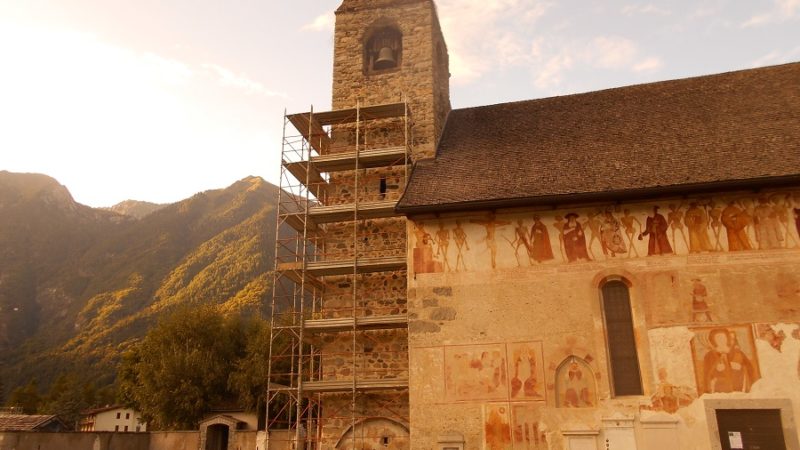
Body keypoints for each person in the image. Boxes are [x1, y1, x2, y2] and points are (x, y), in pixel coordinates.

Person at [702, 328, 758, 393]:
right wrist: (716, 369)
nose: (721, 340)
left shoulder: (738, 353)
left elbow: (750, 370)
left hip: (738, 389)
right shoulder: (709, 355)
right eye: (718, 338)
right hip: (719, 391)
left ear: (727, 338)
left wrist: (740, 368)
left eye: (723, 337)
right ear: (713, 339)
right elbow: (706, 375)